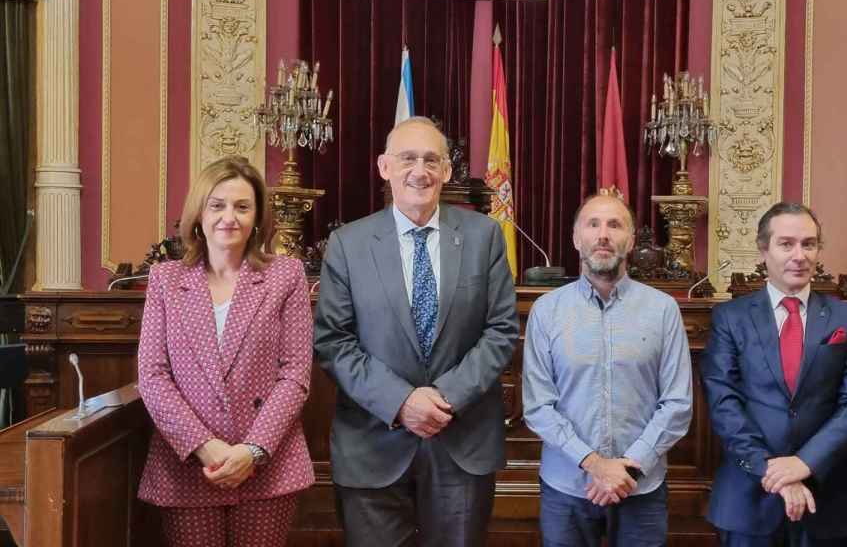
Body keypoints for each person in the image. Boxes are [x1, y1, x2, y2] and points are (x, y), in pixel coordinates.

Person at [314, 116, 519, 547]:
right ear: (384, 167)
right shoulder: (348, 244)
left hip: (461, 444)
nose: (419, 171)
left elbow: (501, 330)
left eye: (431, 160)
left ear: (446, 170)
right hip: (373, 446)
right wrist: (401, 402)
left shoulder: (484, 236)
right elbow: (333, 340)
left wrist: (445, 398)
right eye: (407, 158)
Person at [136, 155, 314, 547]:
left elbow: (295, 374)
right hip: (188, 466)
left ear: (257, 216)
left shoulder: (285, 275)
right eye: (217, 205)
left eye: (242, 207)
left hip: (266, 466)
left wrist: (252, 451)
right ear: (199, 213)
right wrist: (205, 446)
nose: (229, 217)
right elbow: (152, 376)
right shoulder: (166, 279)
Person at [700, 202, 847, 547]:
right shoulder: (730, 318)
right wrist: (772, 470)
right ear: (763, 250)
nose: (799, 255)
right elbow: (723, 403)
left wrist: (805, 463)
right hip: (749, 496)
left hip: (825, 498)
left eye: (808, 244)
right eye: (786, 244)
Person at [522, 193, 693, 547]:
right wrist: (595, 464)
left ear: (630, 241)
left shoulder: (663, 310)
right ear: (576, 238)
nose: (603, 235)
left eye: (615, 225)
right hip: (567, 488)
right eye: (593, 224)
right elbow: (538, 406)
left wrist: (628, 466)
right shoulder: (546, 310)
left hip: (640, 488)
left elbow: (677, 404)